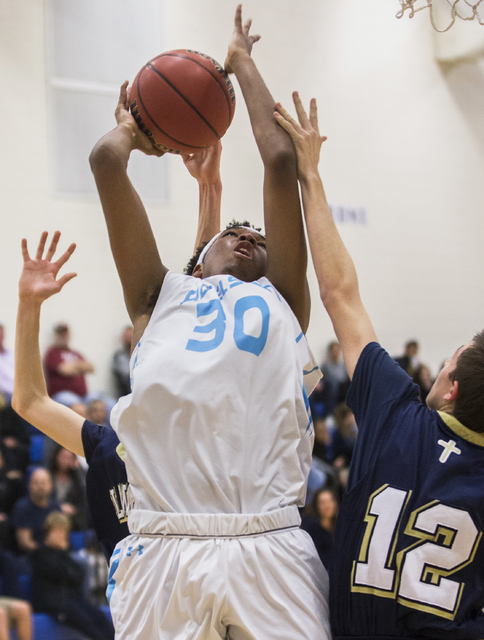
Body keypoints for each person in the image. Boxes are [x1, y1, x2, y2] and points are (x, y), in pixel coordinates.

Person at [88, 5, 329, 640]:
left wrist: (241, 62)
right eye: (234, 232)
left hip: (269, 541)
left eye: (260, 235)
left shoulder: (283, 299)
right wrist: (136, 129)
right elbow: (105, 164)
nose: (250, 235)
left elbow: (280, 164)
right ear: (199, 261)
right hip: (162, 546)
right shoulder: (156, 297)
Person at [275, 93, 484, 638]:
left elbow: (339, 293)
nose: (436, 367)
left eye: (446, 363)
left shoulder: (396, 412)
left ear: (453, 390)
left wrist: (311, 176)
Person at [12, 138, 224, 562]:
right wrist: (28, 305)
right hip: (139, 592)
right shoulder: (108, 445)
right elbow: (29, 400)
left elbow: (202, 284)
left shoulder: (195, 427)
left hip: (208, 570)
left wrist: (210, 187)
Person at [30, 511, 114, 640]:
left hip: (73, 598)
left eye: (63, 531)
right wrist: (63, 554)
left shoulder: (64, 553)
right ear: (48, 532)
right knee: (89, 624)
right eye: (57, 531)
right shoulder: (40, 554)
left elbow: (79, 574)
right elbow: (60, 573)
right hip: (55, 603)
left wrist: (63, 555)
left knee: (100, 617)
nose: (61, 535)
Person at [9, 467, 60, 554]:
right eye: (36, 483)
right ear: (29, 486)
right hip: (31, 557)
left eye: (43, 483)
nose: (40, 486)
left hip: (54, 554)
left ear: (51, 485)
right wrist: (46, 551)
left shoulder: (55, 507)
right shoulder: (22, 507)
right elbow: (25, 543)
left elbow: (61, 537)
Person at [111, 326, 133, 399]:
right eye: (126, 337)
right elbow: (127, 376)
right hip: (126, 395)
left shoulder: (142, 354)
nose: (129, 340)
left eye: (131, 336)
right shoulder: (119, 356)